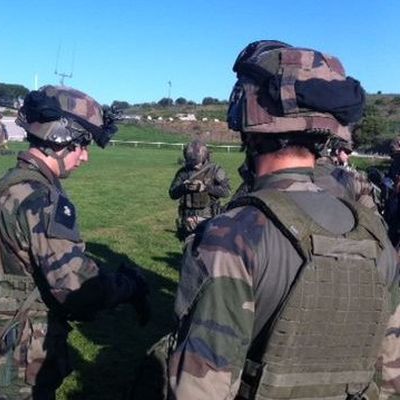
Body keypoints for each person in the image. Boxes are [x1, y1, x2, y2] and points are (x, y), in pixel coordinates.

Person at [167, 41, 400, 399]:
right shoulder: (377, 237)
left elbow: (197, 390)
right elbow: (390, 376)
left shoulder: (231, 236)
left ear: (249, 123)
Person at [0, 85, 150, 399]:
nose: (85, 156)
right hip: (20, 364)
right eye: (82, 144)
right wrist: (128, 286)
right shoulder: (41, 200)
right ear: (59, 137)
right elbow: (77, 291)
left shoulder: (3, 186)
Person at [168, 139, 230, 239]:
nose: (195, 165)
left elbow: (226, 191)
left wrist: (206, 188)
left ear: (204, 156)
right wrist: (184, 187)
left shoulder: (215, 170)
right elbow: (172, 194)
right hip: (187, 219)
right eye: (192, 162)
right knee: (189, 249)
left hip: (208, 217)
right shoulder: (183, 172)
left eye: (197, 162)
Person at [314, 137, 379, 210]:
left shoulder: (340, 165)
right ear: (338, 151)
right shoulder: (325, 163)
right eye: (346, 152)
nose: (348, 156)